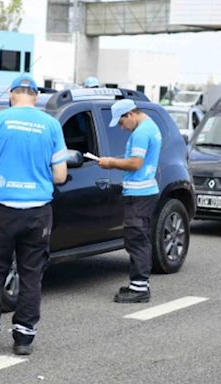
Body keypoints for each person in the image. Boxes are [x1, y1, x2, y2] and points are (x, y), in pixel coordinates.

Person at [0, 74, 68, 355]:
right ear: (36, 97)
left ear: (12, 94)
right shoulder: (51, 125)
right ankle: (23, 339)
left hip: (0, 211)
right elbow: (60, 176)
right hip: (37, 212)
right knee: (31, 274)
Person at [98, 99, 162, 303]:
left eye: (121, 122)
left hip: (139, 193)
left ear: (131, 115)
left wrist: (110, 163)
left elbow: (135, 163)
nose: (121, 127)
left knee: (136, 240)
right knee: (140, 238)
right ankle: (138, 284)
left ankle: (140, 289)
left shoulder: (141, 133)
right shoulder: (151, 126)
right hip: (145, 192)